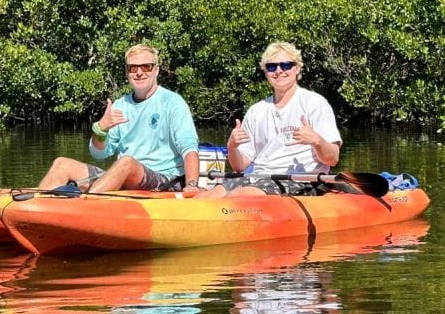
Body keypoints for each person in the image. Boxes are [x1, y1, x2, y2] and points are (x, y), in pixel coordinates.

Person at [36, 43, 201, 193]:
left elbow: (189, 148)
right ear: (127, 72)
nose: (139, 73)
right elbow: (99, 154)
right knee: (61, 164)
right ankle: (35, 212)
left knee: (126, 162)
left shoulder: (173, 103)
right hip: (124, 175)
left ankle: (88, 204)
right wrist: (101, 129)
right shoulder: (119, 106)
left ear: (156, 70)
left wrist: (192, 185)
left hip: (164, 180)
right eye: (133, 68)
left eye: (146, 67)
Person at [199, 41, 342, 198]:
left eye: (286, 65)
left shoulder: (314, 103)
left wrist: (317, 141)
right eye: (272, 66)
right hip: (258, 178)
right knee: (206, 198)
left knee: (241, 196)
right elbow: (240, 166)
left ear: (297, 68)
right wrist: (232, 146)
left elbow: (332, 159)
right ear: (266, 71)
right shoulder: (256, 110)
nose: (279, 71)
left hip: (300, 180)